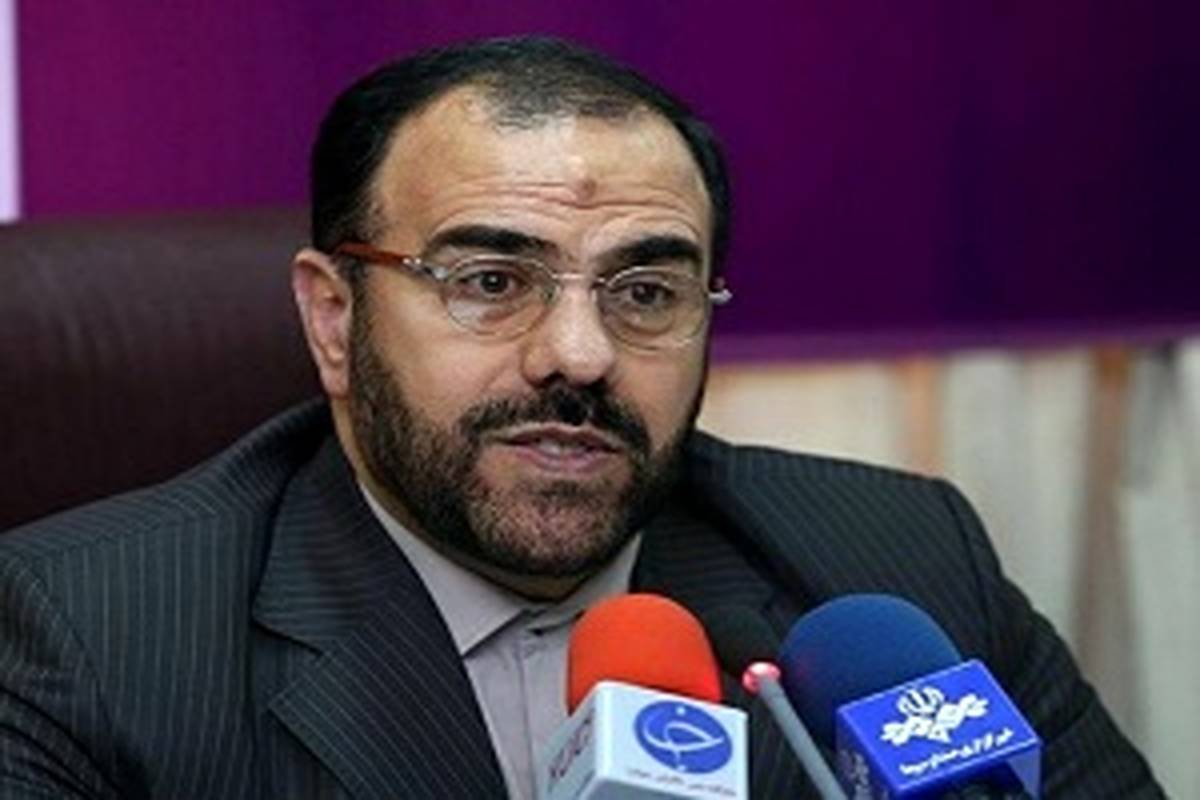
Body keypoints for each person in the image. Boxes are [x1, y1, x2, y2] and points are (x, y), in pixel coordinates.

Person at [0, 36, 1161, 799]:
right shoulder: (87, 636)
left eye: (645, 292)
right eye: (491, 280)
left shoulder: (896, 565)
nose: (580, 355)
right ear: (335, 318)